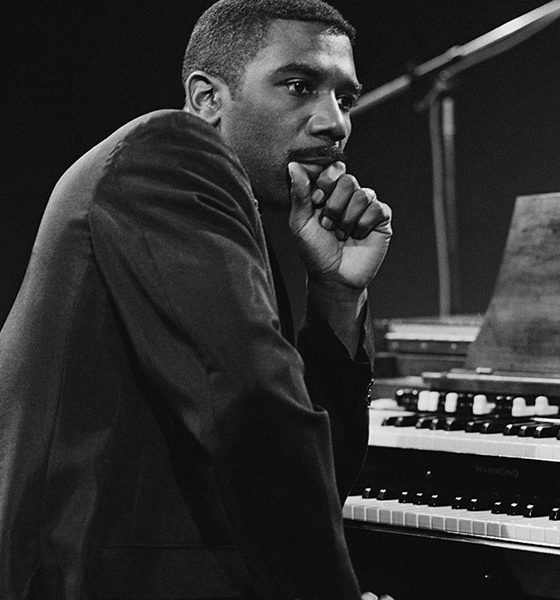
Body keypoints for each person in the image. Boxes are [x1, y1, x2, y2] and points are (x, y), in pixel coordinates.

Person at [0, 0, 392, 598]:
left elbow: (308, 467)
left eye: (346, 98)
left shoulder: (224, 210)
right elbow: (253, 405)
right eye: (299, 85)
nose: (334, 122)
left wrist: (337, 292)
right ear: (208, 99)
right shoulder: (171, 153)